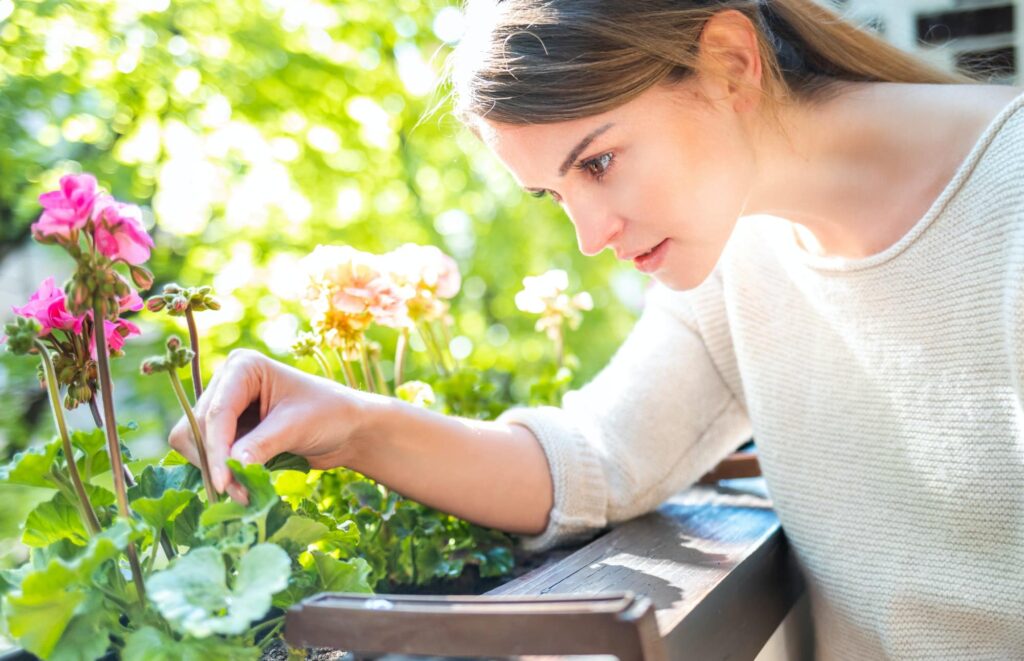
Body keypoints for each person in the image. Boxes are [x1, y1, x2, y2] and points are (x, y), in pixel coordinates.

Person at [170, 0, 1024, 657]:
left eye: (599, 161)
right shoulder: (737, 252)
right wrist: (349, 421)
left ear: (729, 63)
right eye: (554, 193)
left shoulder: (1007, 207)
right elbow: (596, 458)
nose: (589, 237)